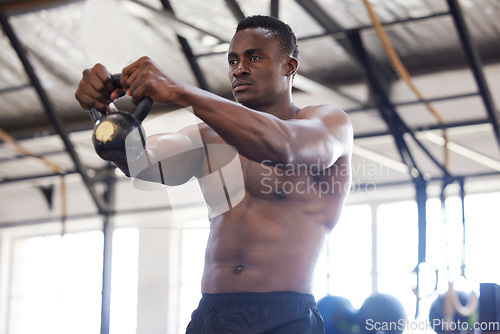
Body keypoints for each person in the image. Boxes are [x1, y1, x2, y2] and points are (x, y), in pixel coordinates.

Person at [76, 15, 352, 334]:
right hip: (212, 315)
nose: (239, 68)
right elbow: (137, 160)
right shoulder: (207, 137)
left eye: (254, 57)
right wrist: (102, 114)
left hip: (283, 316)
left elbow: (284, 148)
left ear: (289, 66)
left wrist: (182, 92)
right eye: (233, 59)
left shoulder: (328, 122)